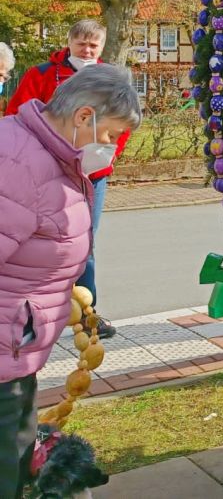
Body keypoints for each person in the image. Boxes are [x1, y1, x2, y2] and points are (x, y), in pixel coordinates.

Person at [0, 64, 141, 496]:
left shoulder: (50, 153)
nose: (110, 146)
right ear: (83, 117)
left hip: (14, 348)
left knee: (17, 455)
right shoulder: (19, 163)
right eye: (110, 134)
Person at [4, 21, 128, 340]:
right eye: (81, 43)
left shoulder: (112, 80)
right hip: (44, 170)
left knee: (83, 243)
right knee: (36, 241)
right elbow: (18, 115)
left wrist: (105, 155)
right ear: (70, 43)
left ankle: (86, 312)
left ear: (101, 47)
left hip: (91, 174)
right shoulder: (42, 75)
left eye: (93, 45)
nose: (87, 50)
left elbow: (122, 124)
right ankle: (37, 311)